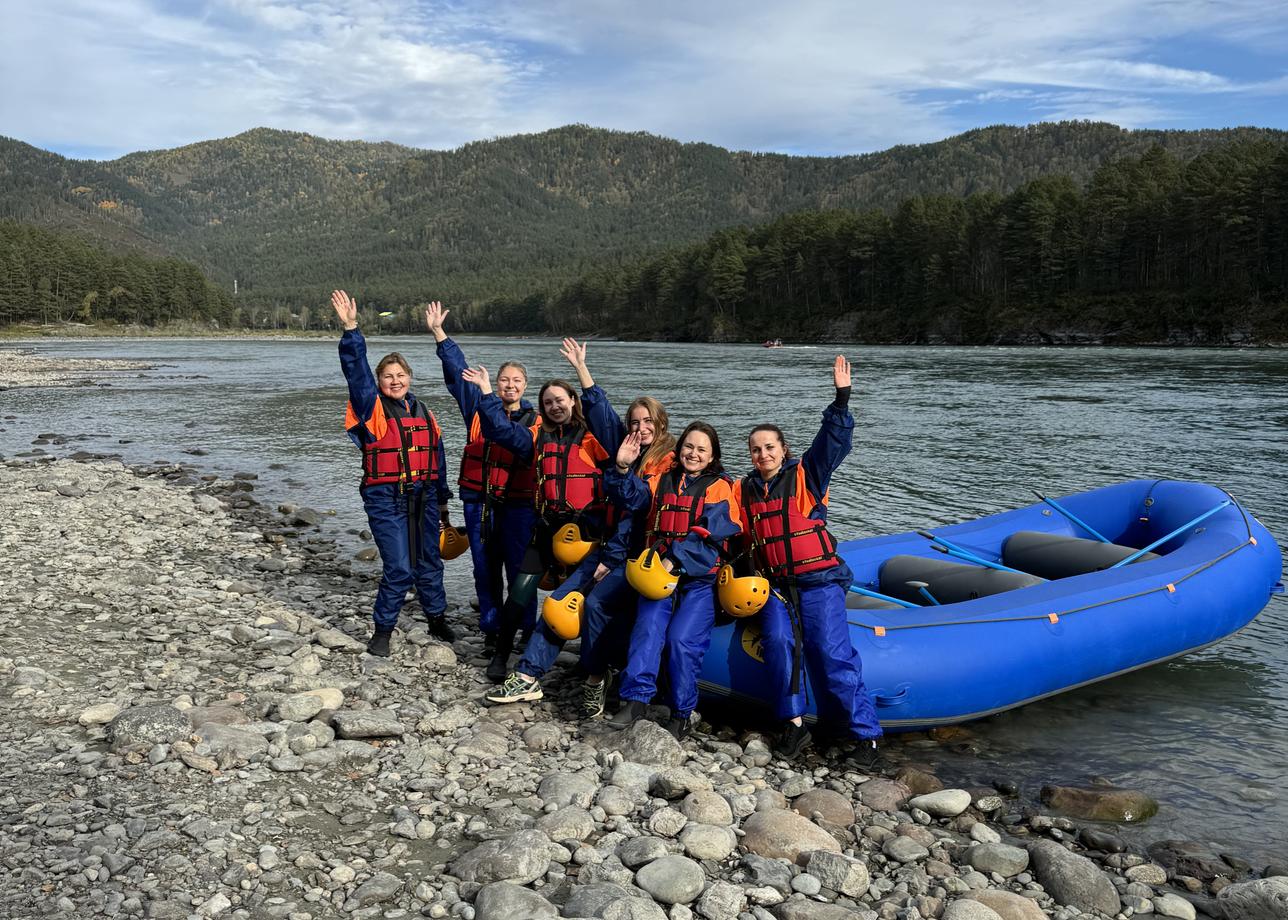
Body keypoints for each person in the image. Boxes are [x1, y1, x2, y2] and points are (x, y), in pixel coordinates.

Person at [479, 340, 676, 717]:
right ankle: (527, 675)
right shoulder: (624, 451)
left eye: (648, 421)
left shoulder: (668, 463)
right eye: (634, 422)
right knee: (559, 604)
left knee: (599, 606)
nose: (640, 428)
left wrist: (583, 372)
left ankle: (594, 677)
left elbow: (639, 508)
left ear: (661, 424)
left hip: (641, 558)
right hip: (597, 545)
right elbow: (603, 417)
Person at [732, 355, 882, 762]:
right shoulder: (743, 491)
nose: (762, 454)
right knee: (779, 643)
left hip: (819, 582)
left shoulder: (806, 476)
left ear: (783, 450)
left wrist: (842, 399)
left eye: (769, 447)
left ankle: (865, 735)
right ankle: (794, 727)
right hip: (777, 589)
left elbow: (830, 444)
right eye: (755, 449)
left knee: (833, 653)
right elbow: (725, 530)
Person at [331, 290, 456, 656]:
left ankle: (436, 618)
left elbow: (438, 460)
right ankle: (383, 629)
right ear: (380, 381)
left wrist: (444, 504)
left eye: (400, 375)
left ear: (410, 378)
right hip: (385, 498)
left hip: (425, 496)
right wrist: (351, 328)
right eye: (388, 376)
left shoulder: (425, 412)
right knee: (400, 567)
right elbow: (355, 372)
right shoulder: (371, 408)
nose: (395, 381)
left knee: (430, 561)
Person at [605, 421, 739, 739]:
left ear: (712, 456)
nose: (693, 453)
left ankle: (680, 712)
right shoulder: (662, 479)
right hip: (658, 576)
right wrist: (623, 468)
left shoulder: (720, 487)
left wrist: (675, 558)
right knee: (648, 628)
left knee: (681, 640)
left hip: (699, 579)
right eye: (689, 446)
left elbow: (715, 528)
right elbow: (633, 500)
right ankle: (636, 699)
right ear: (679, 450)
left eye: (701, 449)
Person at [425, 301, 538, 649]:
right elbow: (457, 372)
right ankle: (491, 627)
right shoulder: (477, 409)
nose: (510, 385)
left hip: (518, 506)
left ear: (525, 386)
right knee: (485, 569)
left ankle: (526, 629)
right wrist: (440, 334)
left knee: (521, 570)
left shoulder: (536, 423)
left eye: (517, 381)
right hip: (480, 503)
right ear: (495, 383)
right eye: (504, 380)